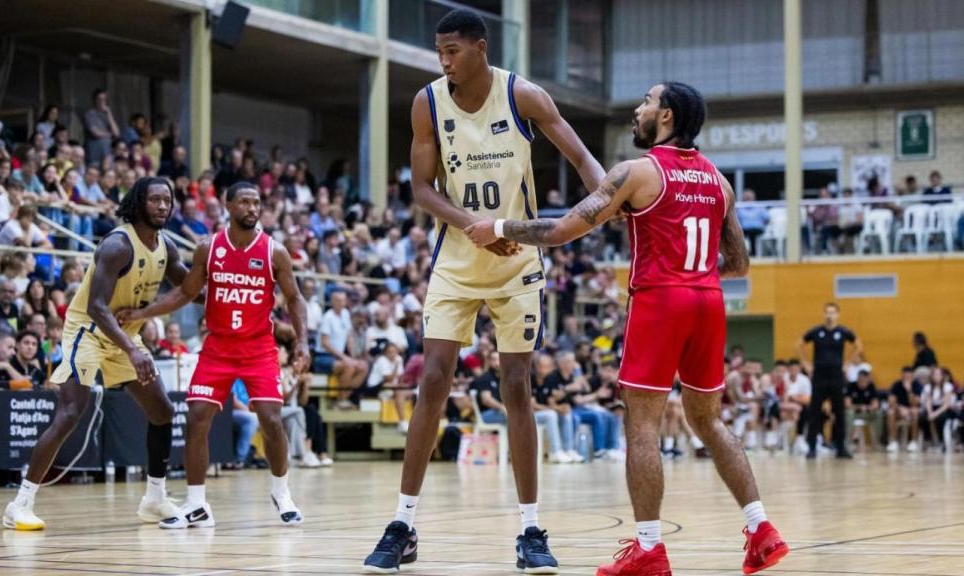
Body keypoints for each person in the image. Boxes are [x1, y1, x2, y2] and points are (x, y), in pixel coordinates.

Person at [464, 82, 787, 575]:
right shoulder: (720, 182)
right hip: (708, 301)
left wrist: (500, 227)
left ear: (667, 115)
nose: (638, 110)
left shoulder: (636, 172)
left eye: (647, 102)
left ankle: (649, 549)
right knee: (709, 421)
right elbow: (739, 263)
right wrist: (693, 272)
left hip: (660, 301)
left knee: (641, 423)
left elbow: (561, 231)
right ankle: (761, 528)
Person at [363, 9, 605, 574]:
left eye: (452, 51)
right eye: (439, 52)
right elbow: (423, 189)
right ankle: (402, 524)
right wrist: (475, 225)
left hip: (518, 259)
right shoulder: (427, 103)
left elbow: (582, 158)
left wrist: (607, 201)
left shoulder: (523, 95)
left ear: (480, 48)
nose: (443, 61)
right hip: (457, 258)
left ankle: (530, 530)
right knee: (432, 379)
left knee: (516, 385)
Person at [117, 181, 310, 529]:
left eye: (257, 203)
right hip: (218, 347)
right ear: (228, 206)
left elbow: (295, 299)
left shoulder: (274, 251)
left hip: (258, 348)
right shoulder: (209, 248)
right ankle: (197, 504)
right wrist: (144, 313)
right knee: (196, 418)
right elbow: (184, 293)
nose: (252, 209)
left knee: (270, 418)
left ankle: (281, 492)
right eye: (245, 203)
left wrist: (303, 343)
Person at [2, 177, 185, 531]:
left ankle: (154, 499)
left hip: (124, 334)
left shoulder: (167, 247)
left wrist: (228, 280)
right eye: (155, 200)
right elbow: (97, 307)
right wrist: (133, 350)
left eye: (168, 200)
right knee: (71, 412)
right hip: (87, 330)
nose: (163, 206)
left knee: (162, 410)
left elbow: (190, 286)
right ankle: (19, 504)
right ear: (139, 203)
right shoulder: (117, 245)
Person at [797, 302, 862, 459]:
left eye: (832, 312)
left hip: (836, 376)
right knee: (815, 412)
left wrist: (847, 363)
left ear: (837, 315)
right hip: (819, 376)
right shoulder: (816, 331)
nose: (829, 315)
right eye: (827, 312)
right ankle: (812, 447)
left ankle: (840, 447)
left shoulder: (843, 332)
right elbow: (799, 345)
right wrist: (806, 364)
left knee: (839, 412)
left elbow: (859, 346)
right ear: (823, 314)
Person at [886, 366, 921, 453]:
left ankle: (913, 441)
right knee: (890, 412)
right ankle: (893, 442)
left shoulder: (917, 385)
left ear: (912, 376)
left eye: (909, 375)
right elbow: (891, 401)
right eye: (905, 375)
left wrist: (909, 390)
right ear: (902, 375)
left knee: (915, 412)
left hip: (911, 411)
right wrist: (900, 408)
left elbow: (916, 403)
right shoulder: (896, 385)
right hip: (899, 410)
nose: (907, 377)